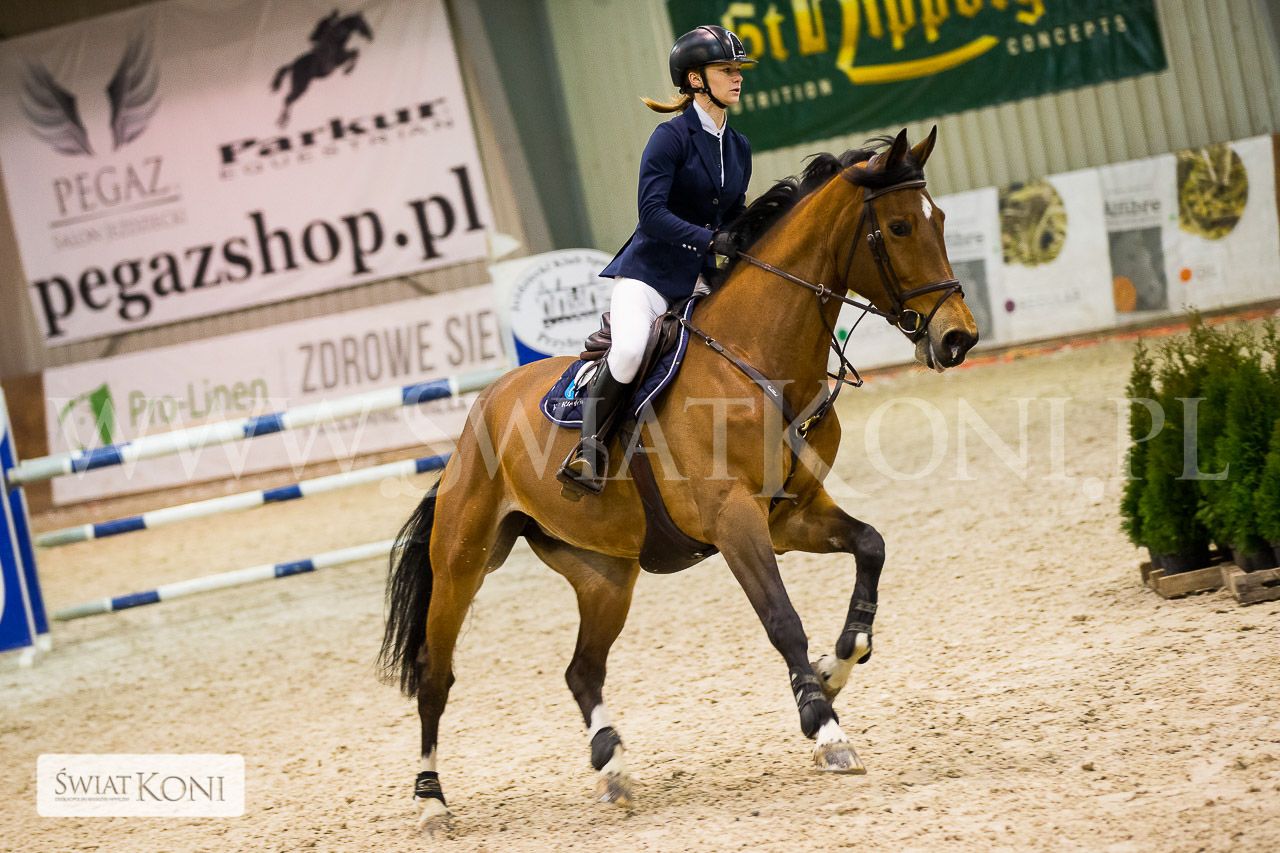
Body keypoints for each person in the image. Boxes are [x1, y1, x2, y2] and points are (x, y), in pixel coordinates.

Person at [557, 25, 756, 497]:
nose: (737, 77)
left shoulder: (738, 146)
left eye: (738, 69)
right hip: (649, 276)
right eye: (726, 69)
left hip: (701, 281)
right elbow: (652, 214)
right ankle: (589, 449)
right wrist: (711, 241)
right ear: (695, 80)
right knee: (629, 350)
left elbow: (734, 212)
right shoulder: (670, 138)